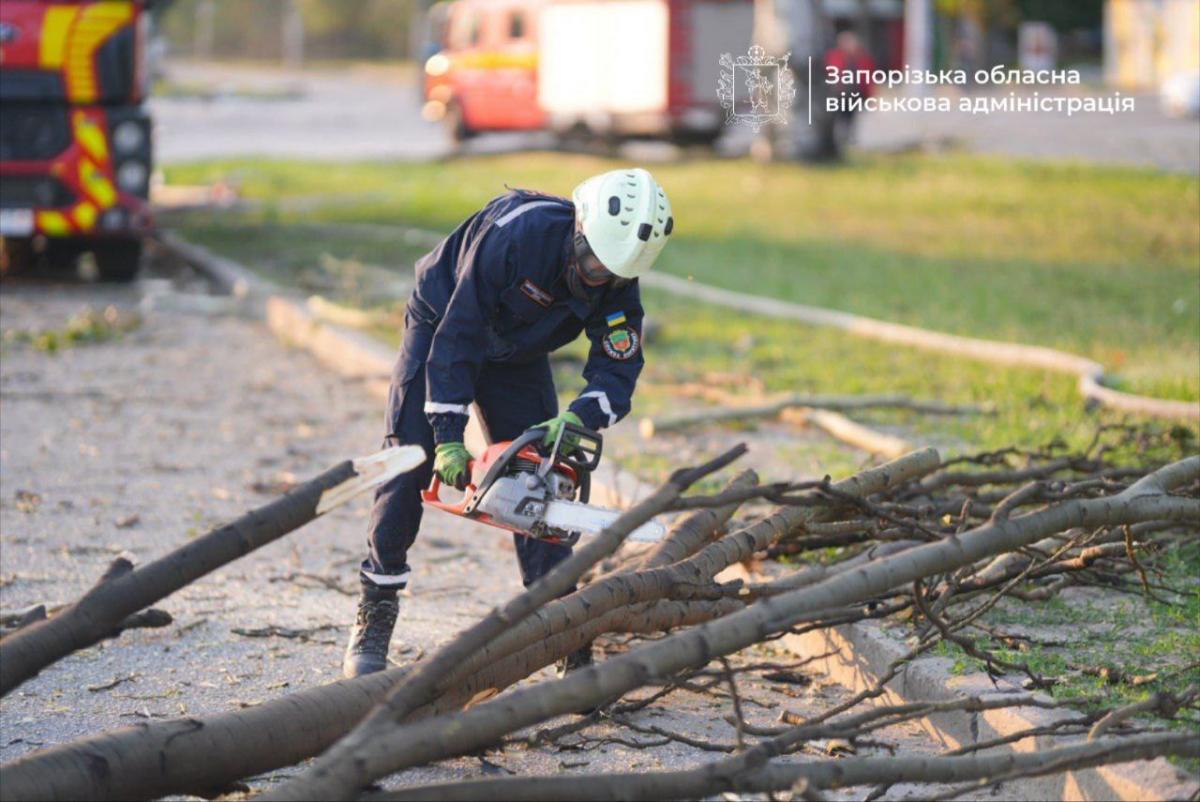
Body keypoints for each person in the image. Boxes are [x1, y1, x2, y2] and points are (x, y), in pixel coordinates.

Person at [343, 168, 674, 678]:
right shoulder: (516, 236)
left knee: (542, 476)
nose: (596, 277)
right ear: (580, 229)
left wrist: (579, 418)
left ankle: (561, 623)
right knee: (409, 460)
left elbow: (619, 366)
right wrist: (447, 437)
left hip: (519, 353)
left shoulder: (616, 282)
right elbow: (459, 334)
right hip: (442, 323)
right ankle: (378, 601)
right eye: (591, 262)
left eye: (610, 273)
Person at [823, 29, 876, 146]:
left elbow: (868, 79)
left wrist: (870, 96)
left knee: (852, 118)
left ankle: (849, 138)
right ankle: (840, 139)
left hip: (855, 94)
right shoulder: (835, 57)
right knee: (840, 118)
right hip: (839, 94)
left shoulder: (863, 58)